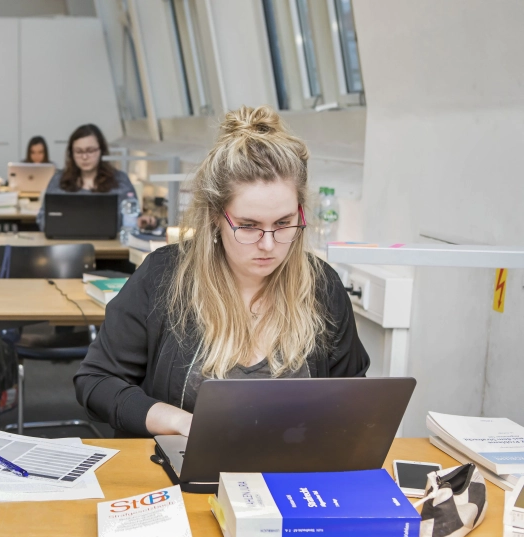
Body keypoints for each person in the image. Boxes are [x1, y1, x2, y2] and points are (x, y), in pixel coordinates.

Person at [73, 106, 370, 438]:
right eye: (248, 226)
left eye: (284, 223)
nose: (269, 245)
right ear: (215, 217)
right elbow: (96, 382)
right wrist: (179, 422)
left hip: (289, 476)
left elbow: (352, 396)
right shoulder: (165, 277)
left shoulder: (321, 286)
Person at [36, 124, 137, 230]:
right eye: (79, 152)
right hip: (67, 244)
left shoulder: (120, 180)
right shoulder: (58, 181)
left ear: (101, 150)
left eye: (90, 150)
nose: (84, 157)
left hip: (109, 245)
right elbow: (42, 220)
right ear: (71, 154)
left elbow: (132, 221)